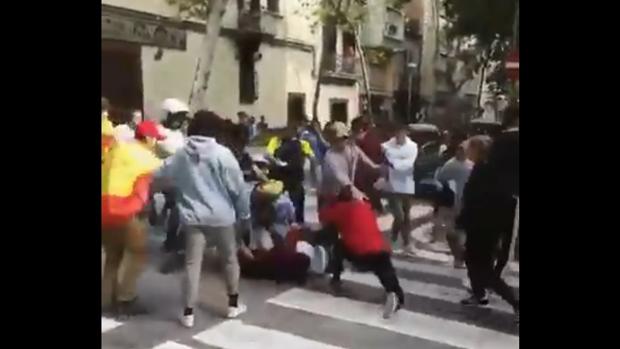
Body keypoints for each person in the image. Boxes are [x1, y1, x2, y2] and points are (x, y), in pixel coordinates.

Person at [152, 110, 251, 328]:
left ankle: (188, 313)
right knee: (229, 260)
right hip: (222, 217)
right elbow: (238, 190)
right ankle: (233, 304)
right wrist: (244, 216)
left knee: (192, 264)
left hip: (193, 218)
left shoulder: (181, 155)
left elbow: (159, 174)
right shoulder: (223, 154)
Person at [457, 106, 519, 323]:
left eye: (470, 149)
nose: (467, 153)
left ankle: (514, 302)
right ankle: (478, 294)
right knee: (475, 263)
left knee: (482, 268)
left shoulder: (484, 172)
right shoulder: (485, 170)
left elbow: (475, 201)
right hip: (486, 224)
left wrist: (463, 222)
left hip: (482, 226)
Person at [102, 120, 164, 317]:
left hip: (104, 211)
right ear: (146, 138)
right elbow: (165, 176)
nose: (156, 143)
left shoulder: (115, 151)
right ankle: (125, 300)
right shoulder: (144, 156)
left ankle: (105, 300)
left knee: (112, 257)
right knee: (136, 255)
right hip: (126, 211)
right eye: (155, 139)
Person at [319, 186, 405, 319]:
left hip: (359, 253)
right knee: (385, 270)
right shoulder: (365, 206)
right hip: (381, 249)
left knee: (339, 246)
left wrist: (328, 203)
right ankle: (395, 293)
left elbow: (323, 218)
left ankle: (336, 275)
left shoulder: (338, 209)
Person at [380, 123, 419, 255]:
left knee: (406, 216)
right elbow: (388, 161)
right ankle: (394, 238)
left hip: (407, 184)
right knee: (399, 215)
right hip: (392, 185)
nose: (399, 135)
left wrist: (395, 162)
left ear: (406, 132)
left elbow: (408, 164)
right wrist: (396, 162)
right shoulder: (386, 146)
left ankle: (405, 242)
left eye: (402, 132)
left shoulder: (413, 146)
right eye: (397, 132)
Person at [320, 121, 380, 207]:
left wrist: (378, 168)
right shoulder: (330, 156)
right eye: (340, 139)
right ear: (332, 140)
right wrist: (356, 192)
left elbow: (365, 160)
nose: (344, 141)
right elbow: (341, 178)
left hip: (347, 192)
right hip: (332, 196)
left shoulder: (352, 149)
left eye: (345, 138)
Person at [266, 123, 315, 223]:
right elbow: (268, 155)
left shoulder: (300, 144)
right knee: (287, 209)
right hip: (284, 179)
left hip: (293, 179)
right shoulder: (276, 142)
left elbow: (311, 158)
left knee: (296, 208)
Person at [436, 142, 474, 268]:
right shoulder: (450, 165)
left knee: (462, 232)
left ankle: (460, 258)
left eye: (464, 150)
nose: (461, 152)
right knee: (451, 233)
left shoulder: (471, 166)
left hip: (466, 202)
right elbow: (441, 180)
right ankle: (458, 257)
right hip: (451, 203)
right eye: (459, 150)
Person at [351, 116, 385, 213]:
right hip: (373, 176)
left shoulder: (359, 142)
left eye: (353, 128)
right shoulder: (376, 138)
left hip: (365, 179)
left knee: (367, 205)